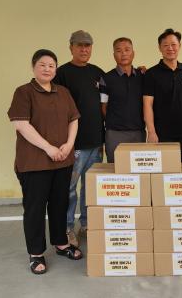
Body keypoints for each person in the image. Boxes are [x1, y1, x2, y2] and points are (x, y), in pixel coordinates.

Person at [8, 49, 83, 275]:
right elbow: (21, 124)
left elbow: (74, 119)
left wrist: (69, 144)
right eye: (42, 65)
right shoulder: (24, 92)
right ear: (33, 67)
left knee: (60, 204)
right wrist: (48, 147)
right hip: (35, 163)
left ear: (56, 69)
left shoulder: (63, 92)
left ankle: (61, 243)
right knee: (35, 208)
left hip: (62, 160)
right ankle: (36, 253)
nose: (47, 69)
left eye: (51, 65)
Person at [54, 30, 105, 247]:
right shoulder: (61, 74)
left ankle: (87, 224)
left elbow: (109, 96)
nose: (84, 49)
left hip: (96, 142)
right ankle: (67, 228)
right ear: (71, 47)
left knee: (91, 187)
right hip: (73, 144)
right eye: (79, 45)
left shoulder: (98, 73)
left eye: (87, 46)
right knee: (69, 189)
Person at [143, 28, 182, 156]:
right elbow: (147, 104)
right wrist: (151, 132)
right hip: (161, 135)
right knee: (165, 168)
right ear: (159, 48)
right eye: (165, 45)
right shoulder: (151, 74)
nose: (170, 48)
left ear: (179, 46)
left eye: (173, 44)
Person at [100, 37, 145, 162]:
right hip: (115, 134)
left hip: (138, 132)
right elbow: (103, 107)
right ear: (114, 55)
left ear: (133, 53)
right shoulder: (106, 78)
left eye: (127, 50)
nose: (123, 53)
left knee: (138, 169)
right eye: (119, 51)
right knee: (115, 169)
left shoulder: (143, 76)